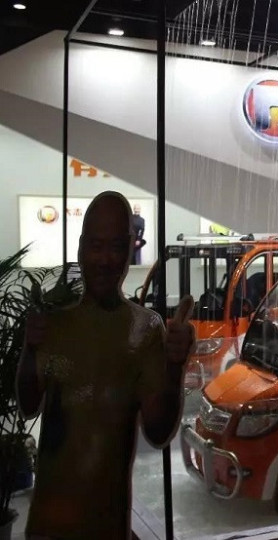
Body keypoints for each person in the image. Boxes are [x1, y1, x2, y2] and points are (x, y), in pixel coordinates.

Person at [16, 191, 196, 540]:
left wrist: (175, 366)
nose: (105, 259)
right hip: (48, 526)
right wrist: (29, 348)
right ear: (81, 249)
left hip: (107, 526)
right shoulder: (56, 324)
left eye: (115, 246)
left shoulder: (146, 329)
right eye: (96, 246)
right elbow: (28, 403)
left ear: (129, 249)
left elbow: (158, 431)